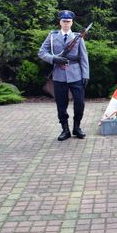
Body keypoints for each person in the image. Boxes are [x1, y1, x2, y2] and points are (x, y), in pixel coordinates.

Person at [38, 10, 90, 141]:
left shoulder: (78, 37)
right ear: (60, 22)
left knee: (79, 103)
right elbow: (41, 52)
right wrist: (54, 59)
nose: (66, 23)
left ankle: (77, 127)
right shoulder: (52, 36)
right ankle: (65, 129)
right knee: (61, 105)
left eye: (68, 21)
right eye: (64, 21)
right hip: (59, 75)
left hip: (76, 74)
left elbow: (84, 57)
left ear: (72, 23)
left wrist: (86, 75)